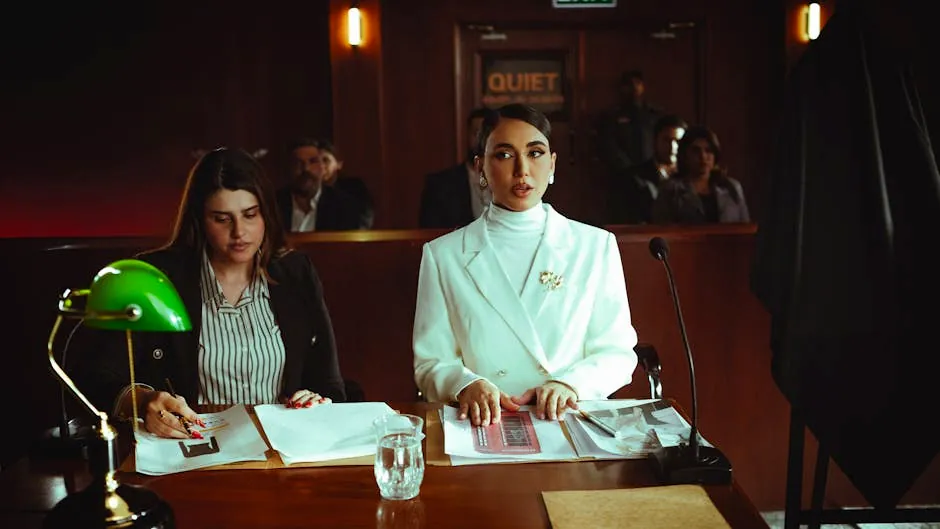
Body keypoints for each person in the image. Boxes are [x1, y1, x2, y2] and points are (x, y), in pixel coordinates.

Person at [79, 147, 347, 439]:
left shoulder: (296, 273)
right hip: (190, 451)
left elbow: (330, 383)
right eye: (222, 219)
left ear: (266, 213)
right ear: (200, 220)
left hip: (281, 449)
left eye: (250, 215)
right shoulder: (157, 278)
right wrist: (143, 402)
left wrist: (317, 401)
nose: (239, 232)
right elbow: (98, 379)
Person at [412, 104, 639, 427]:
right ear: (480, 168)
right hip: (482, 422)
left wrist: (569, 385)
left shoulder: (594, 246)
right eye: (504, 155)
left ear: (552, 164)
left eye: (535, 153)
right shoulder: (443, 255)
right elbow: (431, 362)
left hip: (569, 418)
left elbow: (617, 352)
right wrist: (465, 384)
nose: (522, 170)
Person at [651, 125, 750, 224]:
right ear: (685, 155)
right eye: (696, 151)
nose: (703, 156)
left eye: (708, 151)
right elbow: (661, 229)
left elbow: (745, 227)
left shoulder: (731, 187)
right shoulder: (670, 190)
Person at [418, 108, 491, 229]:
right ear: (467, 135)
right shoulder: (439, 185)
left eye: (487, 135)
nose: (481, 141)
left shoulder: (511, 180)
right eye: (477, 133)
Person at [276, 137, 368, 232]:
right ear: (288, 168)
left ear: (322, 167)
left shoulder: (345, 207)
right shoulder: (273, 205)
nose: (306, 169)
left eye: (313, 161)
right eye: (298, 163)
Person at [610, 114, 688, 224]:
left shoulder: (690, 177)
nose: (672, 147)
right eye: (666, 140)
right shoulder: (634, 177)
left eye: (678, 142)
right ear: (655, 140)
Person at [596, 70, 664, 181]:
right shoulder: (612, 116)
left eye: (637, 83)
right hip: (623, 174)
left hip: (652, 172)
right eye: (629, 84)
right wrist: (628, 169)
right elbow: (608, 144)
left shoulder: (654, 115)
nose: (634, 87)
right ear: (623, 88)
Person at [317, 139, 375, 229]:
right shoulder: (310, 191)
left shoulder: (354, 187)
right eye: (316, 161)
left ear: (339, 164)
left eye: (326, 160)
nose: (321, 166)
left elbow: (364, 220)